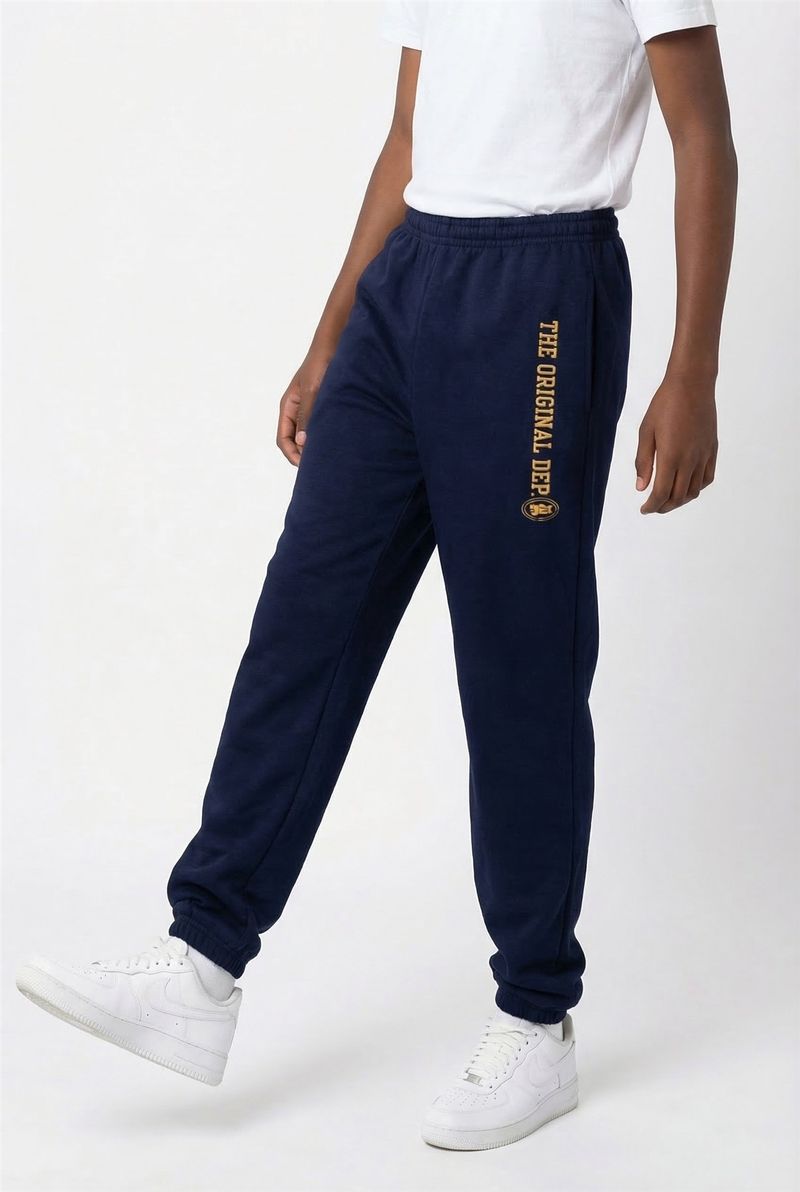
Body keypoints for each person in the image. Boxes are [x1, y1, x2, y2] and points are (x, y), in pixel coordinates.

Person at [16, 0, 736, 1152]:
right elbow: (407, 137)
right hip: (407, 288)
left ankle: (535, 1016)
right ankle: (201, 960)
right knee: (305, 615)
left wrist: (689, 370)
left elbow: (701, 132)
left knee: (518, 659)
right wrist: (329, 334)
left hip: (539, 288)